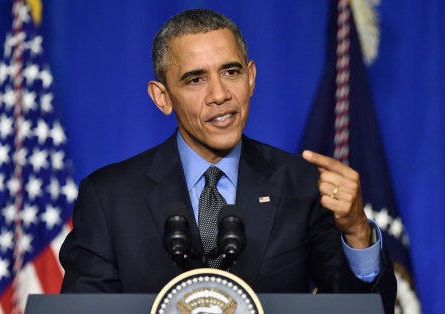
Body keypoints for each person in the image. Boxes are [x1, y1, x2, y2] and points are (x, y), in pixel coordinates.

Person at [59, 8, 396, 313]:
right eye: (196, 79)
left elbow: (361, 310)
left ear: (251, 78)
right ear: (162, 97)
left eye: (231, 72)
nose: (219, 95)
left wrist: (357, 234)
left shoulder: (303, 185)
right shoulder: (109, 197)